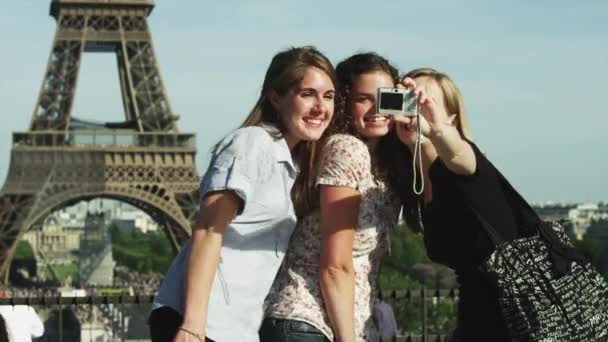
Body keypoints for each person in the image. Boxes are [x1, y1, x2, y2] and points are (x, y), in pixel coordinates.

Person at [149, 46, 337, 342]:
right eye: (307, 94)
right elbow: (208, 230)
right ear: (275, 98)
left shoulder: (294, 164)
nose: (320, 106)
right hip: (202, 322)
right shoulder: (253, 143)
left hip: (233, 327)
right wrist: (193, 325)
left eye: (328, 96)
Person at [260, 53, 409, 342]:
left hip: (320, 326)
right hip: (311, 323)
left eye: (386, 97)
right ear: (344, 103)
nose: (377, 108)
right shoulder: (346, 148)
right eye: (363, 99)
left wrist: (419, 135)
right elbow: (335, 265)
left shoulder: (383, 164)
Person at [392, 67, 537, 341]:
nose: (414, 112)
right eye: (408, 101)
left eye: (425, 103)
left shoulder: (464, 165)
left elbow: (459, 153)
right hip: (480, 319)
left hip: (519, 321)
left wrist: (436, 130)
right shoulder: (418, 184)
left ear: (452, 119)